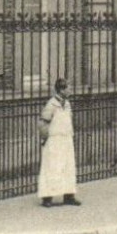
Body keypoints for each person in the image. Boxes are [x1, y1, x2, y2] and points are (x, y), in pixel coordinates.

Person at [37, 78, 79, 207]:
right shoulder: (51, 105)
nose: (70, 90)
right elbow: (43, 123)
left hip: (66, 139)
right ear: (61, 90)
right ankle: (47, 198)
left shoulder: (67, 104)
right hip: (54, 141)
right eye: (68, 88)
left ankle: (69, 196)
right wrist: (44, 139)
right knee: (52, 167)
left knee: (68, 167)